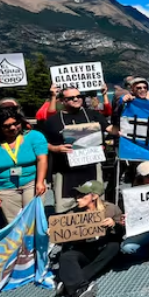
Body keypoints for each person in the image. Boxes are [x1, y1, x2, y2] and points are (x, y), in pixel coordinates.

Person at [54, 180, 123, 297]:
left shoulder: (111, 209)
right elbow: (63, 239)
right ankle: (80, 288)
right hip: (84, 251)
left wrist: (115, 224)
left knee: (114, 246)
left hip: (103, 250)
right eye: (77, 196)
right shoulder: (72, 214)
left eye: (82, 196)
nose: (77, 199)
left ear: (94, 196)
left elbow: (124, 231)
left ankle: (68, 281)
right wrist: (54, 234)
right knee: (66, 256)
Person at [43, 86, 110, 214]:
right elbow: (41, 143)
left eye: (79, 96)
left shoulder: (93, 115)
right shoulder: (53, 121)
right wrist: (55, 148)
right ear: (62, 101)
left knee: (95, 204)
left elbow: (110, 128)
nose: (76, 99)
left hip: (91, 168)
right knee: (66, 208)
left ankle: (96, 233)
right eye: (71, 98)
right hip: (65, 171)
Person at [0, 107, 48, 223]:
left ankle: (37, 241)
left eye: (16, 124)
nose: (13, 128)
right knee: (15, 224)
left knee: (33, 220)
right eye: (7, 126)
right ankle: (20, 242)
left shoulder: (34, 136)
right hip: (4, 187)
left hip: (31, 182)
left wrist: (40, 182)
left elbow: (42, 160)